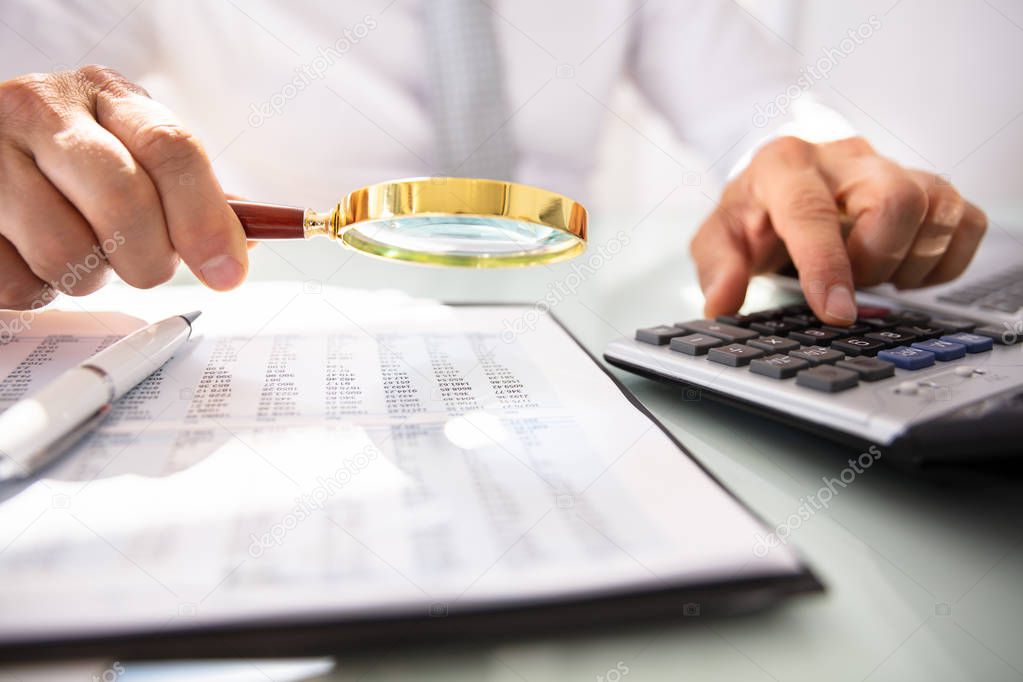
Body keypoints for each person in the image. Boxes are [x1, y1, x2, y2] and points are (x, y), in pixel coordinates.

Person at [0, 1, 986, 326]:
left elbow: (750, 102)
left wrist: (803, 159)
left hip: (583, 343)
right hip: (275, 356)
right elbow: (29, 80)